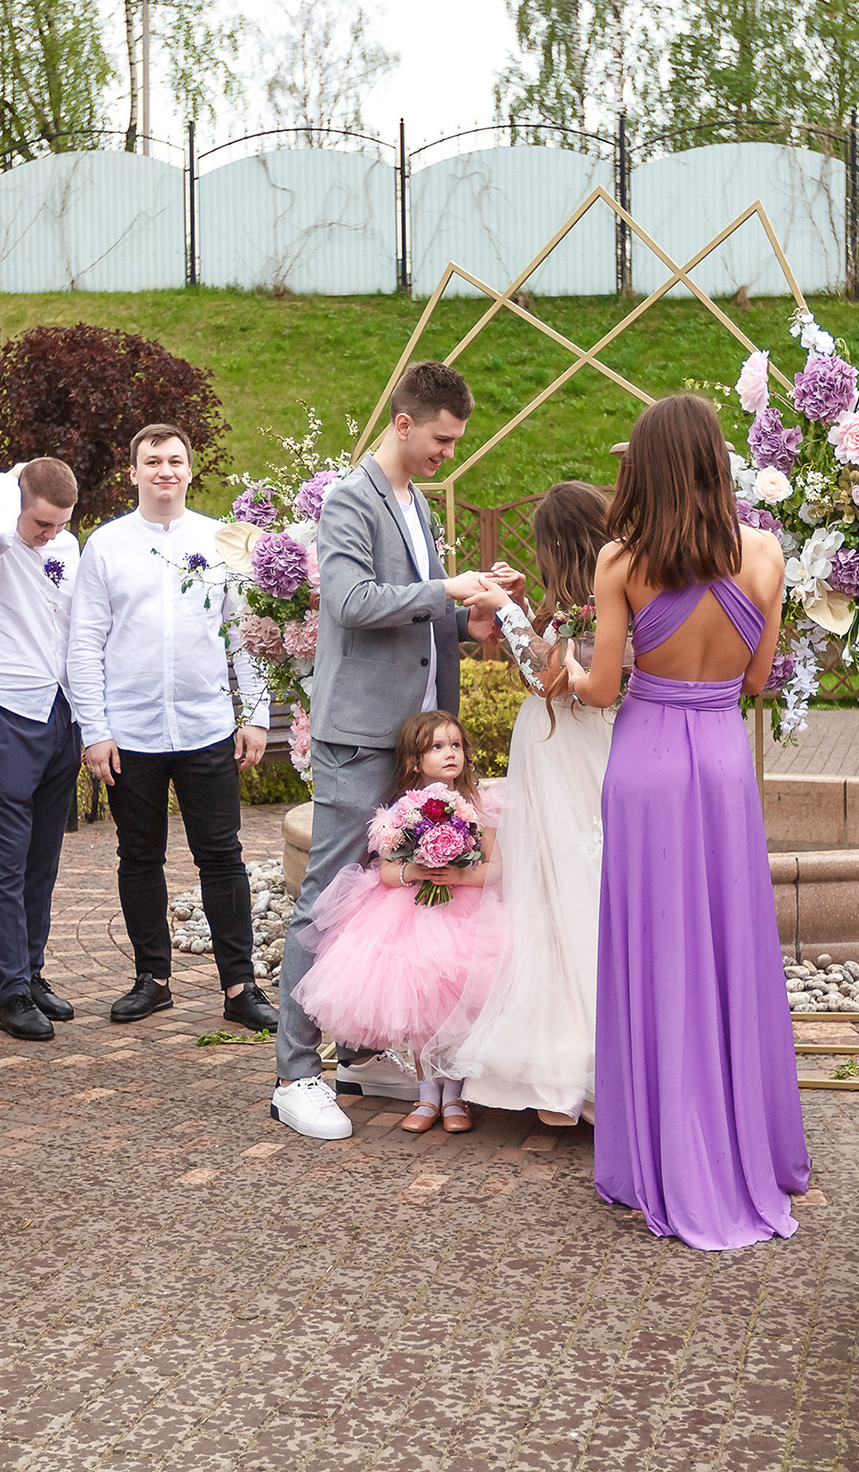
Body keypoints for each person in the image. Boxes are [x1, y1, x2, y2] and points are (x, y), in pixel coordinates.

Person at [568, 393, 811, 1252]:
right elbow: (758, 681)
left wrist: (557, 662)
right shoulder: (767, 552)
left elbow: (600, 690)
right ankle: (741, 1138)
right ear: (716, 461)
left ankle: (661, 1152)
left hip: (646, 760)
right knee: (728, 942)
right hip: (720, 757)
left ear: (651, 464)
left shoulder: (620, 561)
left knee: (657, 947)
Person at [269, 361, 510, 1143]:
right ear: (404, 424)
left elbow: (412, 618)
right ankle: (294, 1077)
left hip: (414, 735)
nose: (447, 454)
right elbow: (348, 602)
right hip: (362, 734)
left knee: (389, 898)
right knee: (329, 896)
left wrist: (462, 620)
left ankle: (360, 1054)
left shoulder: (417, 504)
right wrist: (448, 589)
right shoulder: (349, 499)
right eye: (441, 440)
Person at [66, 424, 280, 1032]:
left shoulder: (221, 541)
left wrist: (254, 716)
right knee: (139, 856)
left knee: (223, 855)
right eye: (152, 461)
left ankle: (240, 986)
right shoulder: (105, 547)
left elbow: (249, 638)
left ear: (190, 471)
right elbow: (85, 645)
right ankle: (152, 978)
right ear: (132, 473)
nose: (164, 470)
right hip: (129, 733)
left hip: (207, 726)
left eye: (175, 460)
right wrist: (94, 730)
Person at [448, 481, 612, 1125]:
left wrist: (510, 615)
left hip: (575, 751)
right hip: (565, 753)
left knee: (575, 885)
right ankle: (565, 1071)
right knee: (553, 886)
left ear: (556, 547)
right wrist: (519, 606)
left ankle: (577, 1071)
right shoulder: (585, 601)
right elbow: (555, 660)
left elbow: (553, 678)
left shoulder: (610, 600)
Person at [291, 710, 510, 1135]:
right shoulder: (400, 812)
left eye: (456, 745)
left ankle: (456, 1096)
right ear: (414, 761)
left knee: (460, 1005)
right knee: (422, 1010)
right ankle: (427, 1095)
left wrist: (458, 873)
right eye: (437, 747)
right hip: (412, 917)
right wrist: (418, 871)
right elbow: (389, 872)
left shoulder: (479, 807)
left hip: (465, 914)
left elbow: (495, 868)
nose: (450, 754)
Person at [0, 457, 85, 1041]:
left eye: (60, 525)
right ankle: (9, 990)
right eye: (41, 524)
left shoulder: (67, 545)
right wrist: (8, 485)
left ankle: (32, 973)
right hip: (2, 711)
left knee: (44, 858)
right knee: (7, 858)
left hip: (59, 712)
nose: (50, 535)